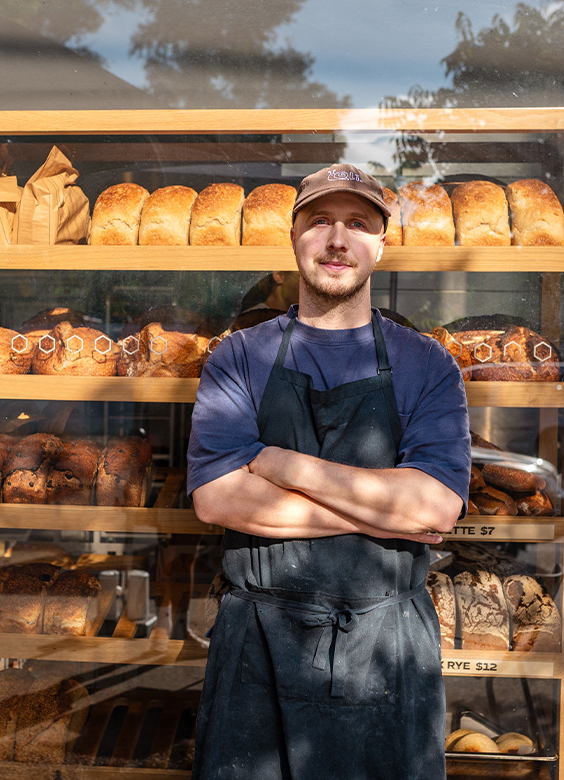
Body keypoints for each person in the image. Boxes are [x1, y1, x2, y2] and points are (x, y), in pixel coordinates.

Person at [186, 163, 471, 780]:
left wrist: (279, 463)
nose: (338, 239)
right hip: (258, 638)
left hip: (388, 645)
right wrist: (384, 515)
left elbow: (435, 508)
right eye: (320, 221)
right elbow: (216, 498)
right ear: (294, 239)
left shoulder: (427, 364)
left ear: (380, 244)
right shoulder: (240, 355)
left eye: (358, 223)